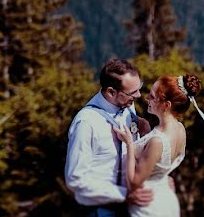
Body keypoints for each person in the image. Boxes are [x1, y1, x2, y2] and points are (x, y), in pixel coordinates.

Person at [114, 74, 204, 217]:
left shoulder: (157, 141)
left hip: (149, 206)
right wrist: (145, 130)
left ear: (166, 104)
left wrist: (129, 144)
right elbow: (160, 164)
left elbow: (134, 182)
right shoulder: (180, 130)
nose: (147, 99)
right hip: (166, 199)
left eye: (152, 96)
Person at [65, 59, 154, 216]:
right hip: (100, 209)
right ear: (111, 92)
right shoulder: (86, 123)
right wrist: (123, 193)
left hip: (131, 206)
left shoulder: (127, 106)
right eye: (132, 93)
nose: (139, 95)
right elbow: (75, 179)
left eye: (138, 88)